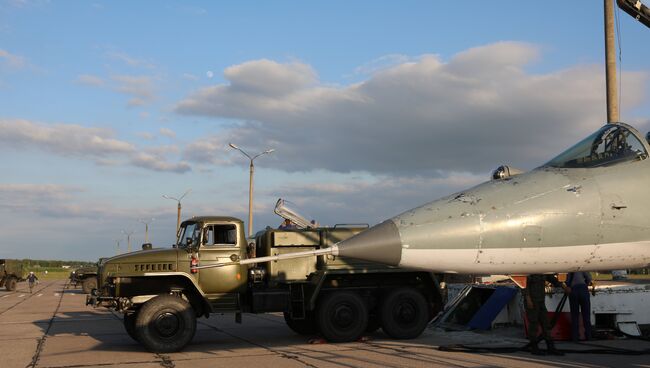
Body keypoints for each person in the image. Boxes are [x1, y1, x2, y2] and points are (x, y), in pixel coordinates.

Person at [524, 274, 570, 356]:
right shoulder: (530, 271)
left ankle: (550, 347)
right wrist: (528, 299)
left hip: (541, 301)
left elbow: (553, 279)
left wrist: (564, 287)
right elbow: (524, 285)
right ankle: (534, 348)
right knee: (534, 324)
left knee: (546, 323)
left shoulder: (543, 271)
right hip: (532, 302)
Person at [566, 271, 593, 341]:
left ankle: (575, 337)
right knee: (586, 315)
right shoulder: (582, 268)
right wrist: (585, 284)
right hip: (583, 289)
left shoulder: (570, 271)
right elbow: (589, 278)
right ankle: (588, 336)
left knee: (574, 316)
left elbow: (567, 282)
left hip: (573, 290)